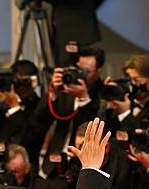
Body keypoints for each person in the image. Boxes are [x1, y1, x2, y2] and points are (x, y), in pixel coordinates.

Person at [37, 46, 106, 178]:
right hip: (51, 166)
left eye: (86, 71)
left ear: (98, 72)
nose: (81, 74)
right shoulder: (65, 87)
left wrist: (84, 99)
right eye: (79, 69)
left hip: (81, 168)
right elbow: (38, 122)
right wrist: (53, 94)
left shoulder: (102, 95)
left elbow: (94, 129)